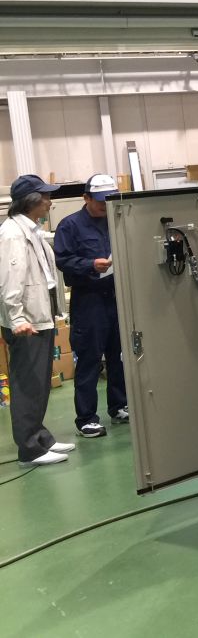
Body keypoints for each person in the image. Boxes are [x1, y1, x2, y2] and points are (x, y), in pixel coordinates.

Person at [0, 175, 75, 466]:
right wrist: (17, 317)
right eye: (45, 197)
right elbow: (10, 280)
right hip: (26, 322)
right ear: (30, 200)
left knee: (39, 383)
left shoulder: (31, 229)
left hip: (39, 317)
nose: (49, 202)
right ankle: (30, 450)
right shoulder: (12, 234)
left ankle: (41, 438)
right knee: (27, 385)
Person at [54, 174, 127, 438]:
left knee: (119, 355)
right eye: (99, 201)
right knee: (89, 359)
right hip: (89, 300)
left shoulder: (116, 220)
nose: (104, 206)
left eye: (108, 200)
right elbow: (63, 260)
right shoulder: (70, 226)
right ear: (86, 198)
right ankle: (86, 418)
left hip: (117, 297)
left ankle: (119, 406)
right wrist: (90, 265)